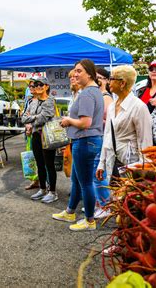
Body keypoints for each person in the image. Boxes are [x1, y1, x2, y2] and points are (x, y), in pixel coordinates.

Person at [52, 59, 104, 231]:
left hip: (85, 140)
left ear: (89, 74)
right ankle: (70, 212)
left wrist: (68, 121)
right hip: (87, 140)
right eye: (74, 70)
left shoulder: (88, 93)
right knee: (76, 179)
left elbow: (85, 122)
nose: (75, 74)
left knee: (86, 183)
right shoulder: (93, 91)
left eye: (79, 71)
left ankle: (90, 220)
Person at [96, 65, 152, 183]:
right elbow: (107, 136)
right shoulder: (112, 106)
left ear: (122, 83)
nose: (108, 82)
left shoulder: (139, 107)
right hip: (113, 161)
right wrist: (102, 163)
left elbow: (145, 142)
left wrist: (144, 171)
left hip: (132, 164)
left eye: (112, 79)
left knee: (128, 197)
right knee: (115, 197)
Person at [21, 77, 58, 203]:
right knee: (39, 164)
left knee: (49, 164)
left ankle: (52, 192)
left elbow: (43, 118)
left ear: (47, 86)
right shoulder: (33, 102)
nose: (37, 87)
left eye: (40, 84)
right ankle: (42, 189)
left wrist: (31, 118)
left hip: (48, 137)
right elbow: (23, 118)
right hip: (36, 135)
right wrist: (32, 118)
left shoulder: (50, 101)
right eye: (35, 84)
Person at [92, 67, 113, 219]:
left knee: (99, 173)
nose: (97, 79)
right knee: (95, 173)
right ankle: (100, 203)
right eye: (95, 76)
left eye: (100, 77)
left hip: (101, 138)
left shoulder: (106, 97)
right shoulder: (97, 96)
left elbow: (109, 122)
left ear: (106, 80)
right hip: (96, 137)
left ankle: (105, 205)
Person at [22, 82, 40, 191]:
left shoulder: (44, 100)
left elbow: (40, 117)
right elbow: (24, 116)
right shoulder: (29, 101)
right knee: (31, 157)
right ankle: (34, 180)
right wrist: (27, 125)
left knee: (41, 159)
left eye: (33, 86)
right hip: (29, 133)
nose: (31, 88)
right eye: (30, 86)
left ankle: (45, 183)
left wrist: (31, 122)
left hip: (39, 132)